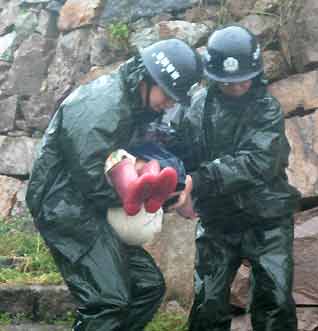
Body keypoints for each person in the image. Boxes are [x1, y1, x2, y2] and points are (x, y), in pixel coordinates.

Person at [25, 38, 202, 331]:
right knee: (108, 299)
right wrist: (143, 198)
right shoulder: (102, 104)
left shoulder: (135, 107)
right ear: (147, 77)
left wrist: (169, 190)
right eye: (169, 94)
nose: (171, 103)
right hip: (63, 206)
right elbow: (92, 178)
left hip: (87, 206)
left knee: (147, 286)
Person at [168, 25, 301, 331]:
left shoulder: (267, 109)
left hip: (267, 217)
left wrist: (198, 181)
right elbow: (179, 150)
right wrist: (181, 190)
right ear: (214, 77)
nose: (238, 86)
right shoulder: (197, 105)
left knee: (274, 300)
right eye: (229, 82)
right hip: (217, 219)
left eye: (244, 79)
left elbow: (256, 162)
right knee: (207, 303)